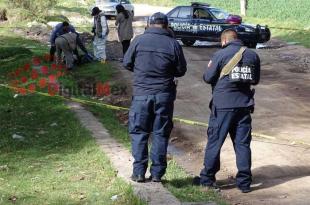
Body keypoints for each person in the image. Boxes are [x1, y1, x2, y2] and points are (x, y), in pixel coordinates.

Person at [123, 12, 187, 183]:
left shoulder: (138, 41)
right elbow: (181, 70)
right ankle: (157, 174)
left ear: (149, 24)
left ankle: (138, 172)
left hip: (141, 95)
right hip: (164, 96)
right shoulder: (173, 43)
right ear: (166, 25)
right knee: (160, 133)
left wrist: (142, 72)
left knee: (139, 133)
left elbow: (126, 62)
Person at [199, 29, 260, 193]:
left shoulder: (220, 55)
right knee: (242, 144)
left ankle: (207, 179)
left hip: (223, 107)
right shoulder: (252, 55)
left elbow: (208, 78)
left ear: (224, 41)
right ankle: (245, 183)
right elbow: (255, 79)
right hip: (244, 107)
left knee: (215, 142)